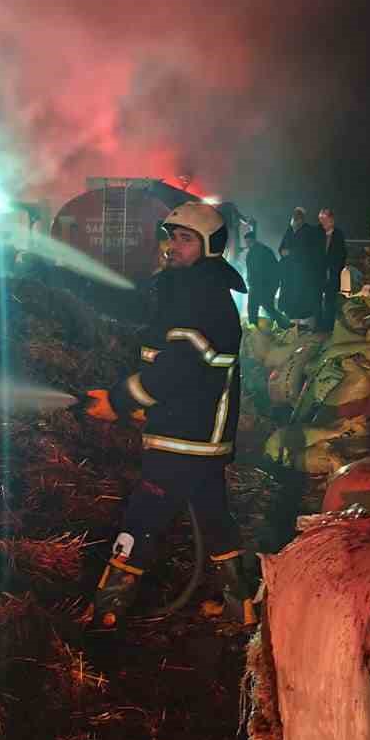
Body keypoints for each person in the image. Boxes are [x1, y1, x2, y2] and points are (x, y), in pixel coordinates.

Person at [81, 202, 260, 630]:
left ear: (210, 247)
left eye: (185, 239)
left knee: (144, 514)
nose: (172, 247)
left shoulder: (200, 298)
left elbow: (177, 366)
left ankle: (105, 613)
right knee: (213, 515)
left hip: (186, 433)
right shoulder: (191, 290)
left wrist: (121, 400)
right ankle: (242, 607)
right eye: (171, 237)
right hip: (195, 431)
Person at [278, 206, 324, 331]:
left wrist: (291, 253)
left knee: (301, 298)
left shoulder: (308, 231)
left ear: (301, 219)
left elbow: (308, 251)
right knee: (289, 297)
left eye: (297, 217)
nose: (295, 219)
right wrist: (283, 252)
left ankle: (304, 324)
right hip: (289, 273)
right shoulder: (289, 231)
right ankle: (291, 321)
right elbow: (281, 247)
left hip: (302, 272)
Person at [241, 225, 281, 326]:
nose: (247, 244)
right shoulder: (263, 250)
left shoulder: (256, 252)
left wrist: (251, 281)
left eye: (247, 242)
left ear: (251, 240)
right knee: (267, 306)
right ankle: (283, 324)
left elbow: (256, 270)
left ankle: (253, 327)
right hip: (266, 284)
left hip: (259, 284)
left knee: (253, 307)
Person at [318, 208, 347, 332]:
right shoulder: (317, 233)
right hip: (318, 273)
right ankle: (318, 325)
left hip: (333, 273)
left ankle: (329, 326)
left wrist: (335, 268)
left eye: (324, 219)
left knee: (330, 300)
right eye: (321, 219)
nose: (322, 222)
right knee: (317, 299)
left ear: (331, 220)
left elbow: (342, 254)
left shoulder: (338, 235)